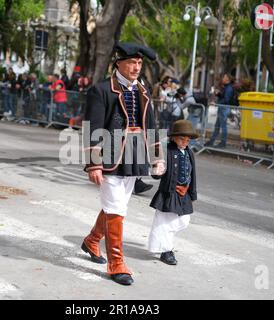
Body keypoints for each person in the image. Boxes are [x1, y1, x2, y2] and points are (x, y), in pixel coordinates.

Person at [81, 42, 164, 285]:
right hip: (110, 155)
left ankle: (92, 240)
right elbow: (93, 128)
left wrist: (157, 157)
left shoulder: (144, 90)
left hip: (135, 156)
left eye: (139, 63)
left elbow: (151, 125)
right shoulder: (101, 90)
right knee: (116, 207)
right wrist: (93, 163)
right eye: (131, 62)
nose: (136, 67)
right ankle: (116, 262)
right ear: (118, 63)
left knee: (116, 204)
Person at [148, 120, 197, 265]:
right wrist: (156, 171)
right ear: (174, 137)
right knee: (165, 221)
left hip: (184, 193)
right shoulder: (167, 150)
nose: (185, 142)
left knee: (183, 221)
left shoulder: (189, 153)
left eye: (188, 140)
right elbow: (158, 171)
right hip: (168, 192)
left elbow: (193, 174)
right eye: (182, 139)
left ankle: (161, 241)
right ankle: (166, 250)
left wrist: (192, 193)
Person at [205, 73, 235, 148]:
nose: (222, 79)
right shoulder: (227, 87)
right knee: (217, 126)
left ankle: (223, 143)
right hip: (222, 108)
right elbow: (224, 97)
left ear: (228, 79)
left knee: (223, 126)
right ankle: (212, 141)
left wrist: (216, 103)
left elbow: (226, 100)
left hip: (224, 108)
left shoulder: (229, 88)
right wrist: (218, 94)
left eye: (224, 77)